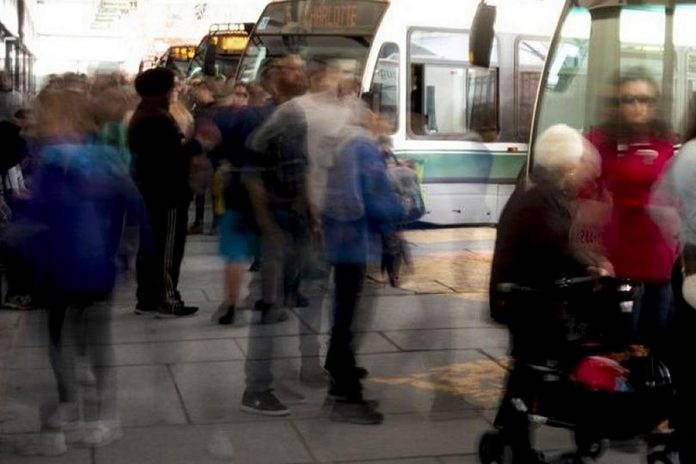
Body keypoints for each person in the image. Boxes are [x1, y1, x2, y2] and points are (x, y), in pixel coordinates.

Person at [489, 124, 603, 464]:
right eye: (581, 164)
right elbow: (552, 249)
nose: (585, 172)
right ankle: (519, 436)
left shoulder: (542, 193)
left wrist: (588, 264)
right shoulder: (538, 200)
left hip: (528, 297)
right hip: (527, 300)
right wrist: (589, 269)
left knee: (529, 367)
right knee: (537, 366)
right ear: (568, 165)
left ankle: (512, 432)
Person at [320, 101, 404, 424]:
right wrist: (392, 228)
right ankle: (346, 391)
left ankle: (338, 362)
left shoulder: (339, 141)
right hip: (357, 239)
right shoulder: (363, 147)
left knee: (343, 307)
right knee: (350, 313)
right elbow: (377, 197)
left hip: (337, 236)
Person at [586, 67, 678, 351]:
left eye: (646, 100)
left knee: (659, 341)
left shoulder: (665, 143)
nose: (639, 107)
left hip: (661, 261)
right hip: (617, 262)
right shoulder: (600, 144)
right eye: (630, 100)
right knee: (623, 345)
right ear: (617, 104)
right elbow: (586, 198)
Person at [127, 67, 215, 318]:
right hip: (167, 193)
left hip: (152, 190)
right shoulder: (157, 119)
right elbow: (168, 156)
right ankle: (167, 299)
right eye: (174, 85)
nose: (178, 89)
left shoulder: (145, 114)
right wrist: (199, 144)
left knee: (151, 247)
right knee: (167, 248)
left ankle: (146, 299)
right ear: (161, 89)